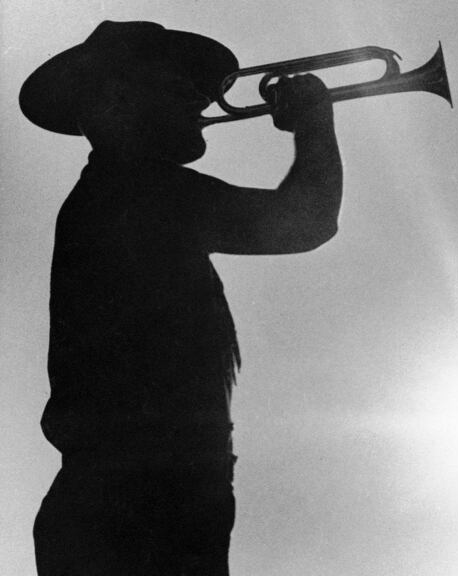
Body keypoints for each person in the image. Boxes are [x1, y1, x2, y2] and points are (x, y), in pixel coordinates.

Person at [20, 21, 342, 575]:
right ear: (120, 101)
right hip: (141, 504)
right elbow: (306, 221)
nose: (199, 100)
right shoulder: (136, 191)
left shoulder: (124, 191)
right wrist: (314, 121)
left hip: (144, 498)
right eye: (177, 86)